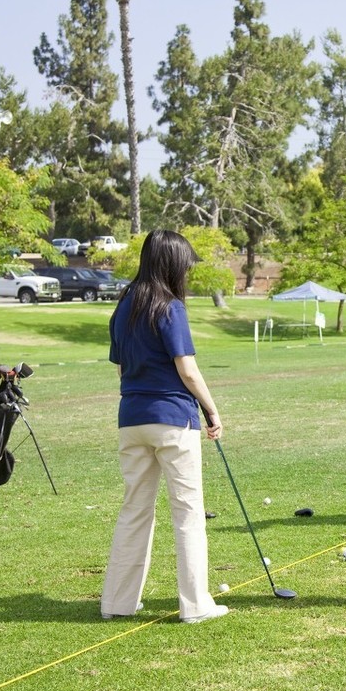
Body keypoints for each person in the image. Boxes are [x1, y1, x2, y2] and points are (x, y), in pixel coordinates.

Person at [102, 229, 228, 624]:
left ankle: (117, 603)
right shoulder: (170, 307)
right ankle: (195, 605)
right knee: (188, 512)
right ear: (172, 265)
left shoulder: (123, 307)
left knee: (134, 511)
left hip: (132, 420)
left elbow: (122, 368)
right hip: (173, 420)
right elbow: (187, 370)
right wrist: (212, 410)